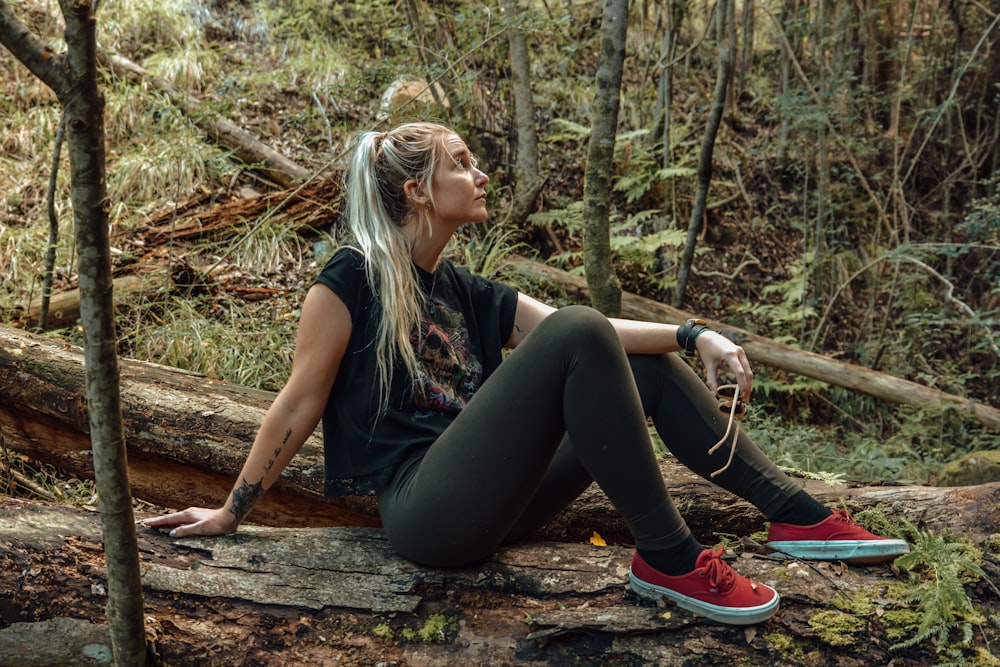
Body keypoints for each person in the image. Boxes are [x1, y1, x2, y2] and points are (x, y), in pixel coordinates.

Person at [144, 121, 908, 626]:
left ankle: (795, 514)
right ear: (416, 189)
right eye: (462, 164)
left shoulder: (461, 287)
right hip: (426, 512)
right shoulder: (350, 278)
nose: (481, 175)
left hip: (496, 503)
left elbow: (598, 335)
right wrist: (230, 512)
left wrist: (692, 330)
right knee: (580, 331)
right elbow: (297, 402)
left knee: (640, 362)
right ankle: (670, 559)